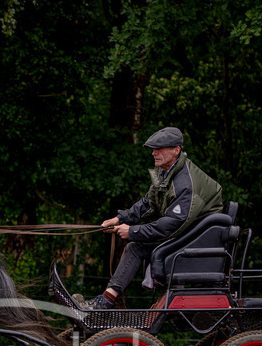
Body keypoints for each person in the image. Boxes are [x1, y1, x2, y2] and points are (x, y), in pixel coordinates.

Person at [80, 126, 223, 310]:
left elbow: (172, 225)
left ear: (176, 150)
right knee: (135, 247)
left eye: (159, 148)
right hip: (186, 234)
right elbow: (148, 202)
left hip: (196, 241)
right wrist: (119, 218)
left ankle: (106, 302)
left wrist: (133, 231)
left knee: (136, 245)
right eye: (153, 149)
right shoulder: (163, 172)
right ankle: (109, 299)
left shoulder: (185, 184)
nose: (154, 153)